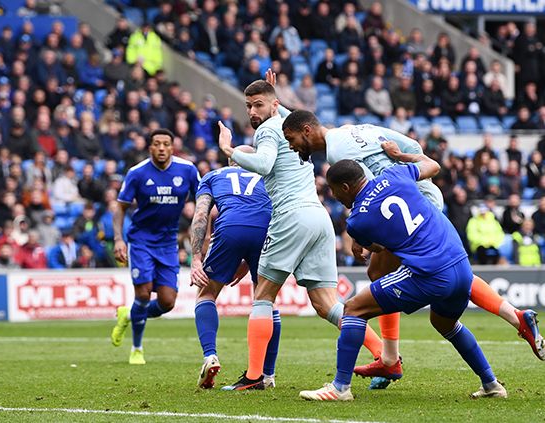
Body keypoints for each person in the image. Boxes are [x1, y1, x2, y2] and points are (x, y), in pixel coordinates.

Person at [282, 110, 545, 384]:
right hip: (416, 191)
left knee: (414, 273)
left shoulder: (338, 155)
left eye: (291, 138)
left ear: (307, 130)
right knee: (405, 274)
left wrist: (361, 236)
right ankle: (511, 318)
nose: (291, 145)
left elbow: (369, 193)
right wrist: (399, 160)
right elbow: (414, 148)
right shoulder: (352, 129)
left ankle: (388, 361)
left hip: (406, 204)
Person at [216, 74, 383, 391]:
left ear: (274, 105)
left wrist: (228, 149)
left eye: (259, 104)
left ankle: (255, 376)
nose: (252, 111)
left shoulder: (268, 129)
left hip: (291, 216)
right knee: (327, 304)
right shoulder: (289, 126)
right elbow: (278, 146)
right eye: (249, 105)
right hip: (319, 218)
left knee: (263, 296)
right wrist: (271, 99)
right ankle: (386, 359)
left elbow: (264, 164)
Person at [300, 157, 507, 401]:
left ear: (345, 188)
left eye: (334, 191)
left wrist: (359, 243)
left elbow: (376, 248)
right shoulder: (395, 175)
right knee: (445, 324)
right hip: (461, 266)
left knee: (353, 309)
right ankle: (491, 384)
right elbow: (432, 165)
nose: (334, 196)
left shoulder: (356, 220)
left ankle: (340, 388)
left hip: (429, 273)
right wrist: (401, 155)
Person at [190, 145, 277, 389]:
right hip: (267, 231)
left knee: (206, 293)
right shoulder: (267, 175)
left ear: (231, 161)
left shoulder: (213, 176)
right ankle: (266, 375)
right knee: (266, 302)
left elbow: (200, 216)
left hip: (229, 230)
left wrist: (196, 258)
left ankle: (210, 355)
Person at [110, 129, 200, 365]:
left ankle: (128, 314)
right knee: (142, 292)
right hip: (141, 239)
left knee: (167, 302)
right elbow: (120, 207)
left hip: (168, 242)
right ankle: (137, 348)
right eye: (157, 144)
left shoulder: (188, 170)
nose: (161, 148)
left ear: (173, 147)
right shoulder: (137, 173)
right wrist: (119, 239)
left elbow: (204, 199)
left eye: (166, 144)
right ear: (149, 147)